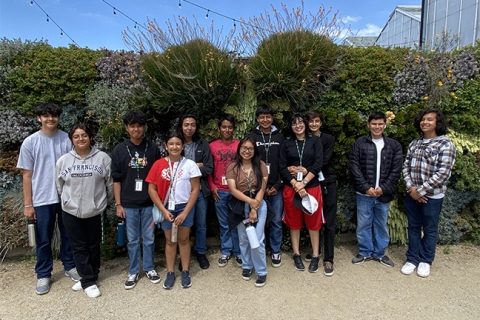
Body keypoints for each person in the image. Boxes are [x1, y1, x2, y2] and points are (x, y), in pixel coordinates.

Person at [16, 103, 80, 295]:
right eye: (46, 116)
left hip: (66, 197)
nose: (50, 119)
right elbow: (26, 175)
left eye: (54, 115)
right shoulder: (30, 142)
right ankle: (43, 273)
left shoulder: (67, 140)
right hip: (42, 198)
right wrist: (28, 204)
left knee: (68, 234)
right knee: (43, 238)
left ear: (59, 117)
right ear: (39, 118)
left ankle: (69, 266)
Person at [56, 124, 113, 298]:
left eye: (84, 135)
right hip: (71, 211)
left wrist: (101, 202)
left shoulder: (103, 158)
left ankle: (91, 275)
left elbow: (109, 184)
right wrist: (67, 201)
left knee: (93, 246)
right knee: (78, 246)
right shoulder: (63, 160)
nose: (81, 139)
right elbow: (60, 186)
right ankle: (87, 280)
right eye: (76, 136)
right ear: (72, 140)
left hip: (94, 210)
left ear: (90, 137)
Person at [401, 108, 456, 278]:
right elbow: (406, 167)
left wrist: (421, 190)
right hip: (412, 194)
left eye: (429, 119)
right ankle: (412, 259)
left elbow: (443, 173)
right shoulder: (415, 143)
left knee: (430, 229)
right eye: (423, 119)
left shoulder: (445, 144)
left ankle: (425, 260)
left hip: (432, 196)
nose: (425, 122)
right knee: (414, 227)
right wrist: (412, 189)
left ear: (437, 123)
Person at [112, 111, 162, 290]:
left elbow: (157, 177)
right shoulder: (119, 149)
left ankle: (149, 268)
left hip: (149, 203)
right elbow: (116, 179)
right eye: (132, 125)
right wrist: (118, 204)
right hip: (128, 204)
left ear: (144, 127)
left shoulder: (153, 148)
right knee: (132, 239)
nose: (136, 129)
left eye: (139, 125)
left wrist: (158, 201)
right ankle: (133, 270)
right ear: (126, 127)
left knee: (149, 238)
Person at [146, 132, 201, 289]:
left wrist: (185, 213)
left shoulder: (190, 165)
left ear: (182, 146)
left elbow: (195, 190)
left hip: (185, 206)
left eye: (178, 144)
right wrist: (163, 210)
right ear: (166, 146)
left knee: (183, 239)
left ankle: (185, 271)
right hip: (166, 206)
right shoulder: (158, 165)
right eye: (171, 144)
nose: (174, 147)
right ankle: (170, 272)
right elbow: (152, 189)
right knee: (170, 241)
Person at [349, 111, 403, 267]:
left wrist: (383, 188)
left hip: (383, 194)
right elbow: (354, 166)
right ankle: (365, 252)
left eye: (380, 124)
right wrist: (366, 187)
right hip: (364, 193)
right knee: (363, 223)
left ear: (385, 125)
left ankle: (380, 253)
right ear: (368, 125)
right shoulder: (360, 143)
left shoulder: (394, 145)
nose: (377, 127)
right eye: (374, 124)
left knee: (381, 224)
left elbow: (396, 169)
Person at [279, 113, 324, 273]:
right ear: (291, 127)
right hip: (291, 188)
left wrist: (303, 182)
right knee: (294, 222)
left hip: (311, 187)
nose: (298, 126)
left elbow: (319, 163)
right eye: (294, 123)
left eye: (300, 123)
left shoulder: (315, 141)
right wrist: (295, 184)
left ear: (305, 124)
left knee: (314, 222)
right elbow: (282, 167)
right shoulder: (286, 144)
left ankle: (315, 255)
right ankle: (296, 254)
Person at [226, 137, 269, 286]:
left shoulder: (261, 165)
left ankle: (261, 271)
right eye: (244, 148)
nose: (247, 151)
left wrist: (254, 208)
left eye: (250, 148)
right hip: (240, 204)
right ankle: (247, 266)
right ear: (239, 149)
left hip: (258, 202)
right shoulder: (232, 166)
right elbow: (232, 189)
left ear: (254, 150)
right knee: (243, 238)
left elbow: (263, 187)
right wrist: (250, 203)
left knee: (257, 238)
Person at [249, 104, 285, 268]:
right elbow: (250, 162)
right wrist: (259, 187)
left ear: (272, 118)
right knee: (259, 222)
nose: (265, 120)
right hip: (257, 188)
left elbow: (283, 163)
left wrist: (277, 184)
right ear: (257, 119)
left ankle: (276, 250)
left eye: (268, 117)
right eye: (262, 117)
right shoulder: (252, 137)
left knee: (276, 221)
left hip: (276, 186)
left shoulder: (280, 137)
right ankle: (259, 250)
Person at [176, 114, 213, 269]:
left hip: (200, 191)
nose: (189, 128)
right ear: (181, 126)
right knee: (182, 224)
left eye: (192, 124)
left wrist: (190, 169)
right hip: (180, 193)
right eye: (186, 124)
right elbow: (172, 166)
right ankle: (182, 255)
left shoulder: (202, 144)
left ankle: (200, 252)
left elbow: (209, 167)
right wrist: (195, 166)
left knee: (200, 223)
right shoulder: (176, 143)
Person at [305, 110, 338, 276]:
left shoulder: (328, 139)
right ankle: (315, 252)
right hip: (310, 185)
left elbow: (324, 161)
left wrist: (305, 168)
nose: (313, 124)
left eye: (316, 121)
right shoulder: (304, 140)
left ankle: (329, 259)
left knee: (329, 222)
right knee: (313, 219)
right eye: (311, 121)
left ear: (321, 123)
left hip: (327, 183)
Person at [208, 114, 242, 267]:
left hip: (236, 190)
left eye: (230, 127)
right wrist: (212, 187)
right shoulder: (212, 146)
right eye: (224, 127)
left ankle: (238, 252)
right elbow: (209, 169)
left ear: (234, 128)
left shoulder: (240, 145)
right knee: (224, 223)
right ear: (219, 129)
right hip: (219, 191)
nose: (227, 130)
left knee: (237, 222)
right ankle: (226, 250)